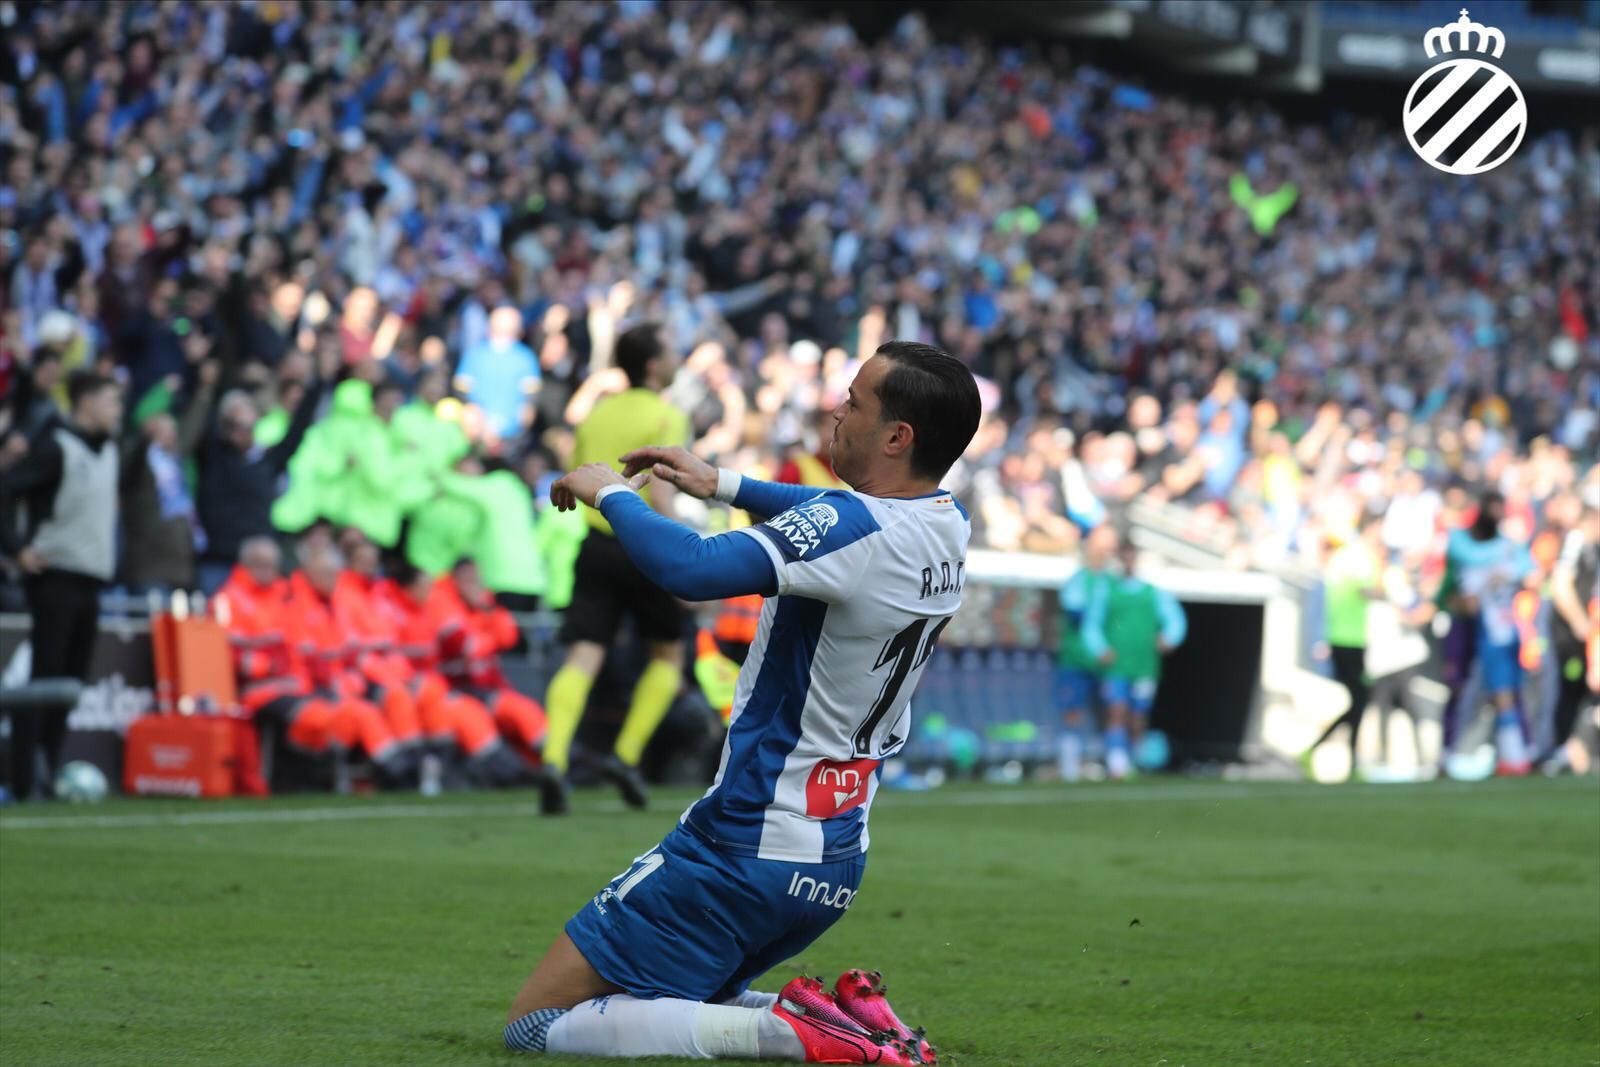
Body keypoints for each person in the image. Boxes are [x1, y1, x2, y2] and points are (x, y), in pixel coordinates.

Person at [503, 341, 979, 1065]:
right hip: (835, 856)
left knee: (536, 1021)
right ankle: (857, 1023)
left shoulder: (854, 530)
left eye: (854, 401)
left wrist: (612, 494)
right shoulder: (946, 521)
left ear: (896, 437)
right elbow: (836, 514)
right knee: (687, 997)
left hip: (744, 845)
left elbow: (690, 569)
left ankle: (786, 1034)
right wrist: (722, 483)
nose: (837, 410)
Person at [538, 324, 689, 815]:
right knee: (667, 655)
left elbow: (578, 476)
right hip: (644, 542)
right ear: (653, 366)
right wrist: (684, 553)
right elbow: (661, 489)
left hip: (597, 543)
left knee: (583, 654)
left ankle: (554, 757)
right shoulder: (666, 415)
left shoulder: (598, 412)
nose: (677, 357)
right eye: (670, 350)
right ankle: (624, 757)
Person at [0, 371, 122, 801]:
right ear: (85, 401)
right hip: (56, 576)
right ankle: (22, 779)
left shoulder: (110, 450)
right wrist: (16, 548)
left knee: (70, 684)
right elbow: (6, 488)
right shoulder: (56, 447)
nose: (117, 410)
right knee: (44, 679)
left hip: (92, 577)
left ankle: (47, 771)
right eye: (110, 400)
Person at [1439, 492, 1538, 776]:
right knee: (1466, 688)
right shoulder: (1483, 550)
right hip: (1478, 627)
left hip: (1497, 630)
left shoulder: (1505, 555)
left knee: (1506, 693)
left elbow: (1529, 575)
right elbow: (1454, 590)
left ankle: (1517, 755)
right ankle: (1455, 752)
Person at [1082, 534, 1188, 780]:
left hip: (1144, 663)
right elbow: (1092, 622)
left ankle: (1135, 760)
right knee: (1116, 711)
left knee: (1138, 716)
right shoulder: (1106, 590)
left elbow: (1175, 619)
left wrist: (1170, 638)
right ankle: (1117, 763)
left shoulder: (1152, 592)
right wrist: (1099, 648)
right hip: (1116, 663)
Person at [1299, 520, 1386, 782]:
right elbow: (1370, 591)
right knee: (1359, 700)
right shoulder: (1359, 559)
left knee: (1358, 701)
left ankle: (1327, 753)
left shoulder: (1339, 562)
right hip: (1351, 641)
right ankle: (1341, 758)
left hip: (1343, 640)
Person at [1054, 524, 1118, 780]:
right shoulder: (1078, 581)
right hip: (1077, 659)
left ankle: (1115, 763)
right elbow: (1079, 616)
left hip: (1110, 661)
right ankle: (1069, 767)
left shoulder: (1113, 582)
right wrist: (1099, 646)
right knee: (1073, 711)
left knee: (1113, 710)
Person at [1541, 504, 1599, 771]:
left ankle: (1576, 748)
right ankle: (1561, 747)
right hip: (1569, 638)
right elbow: (1561, 584)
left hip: (1582, 635)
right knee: (1570, 688)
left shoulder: (1590, 547)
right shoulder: (1575, 542)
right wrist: (1581, 624)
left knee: (1582, 691)